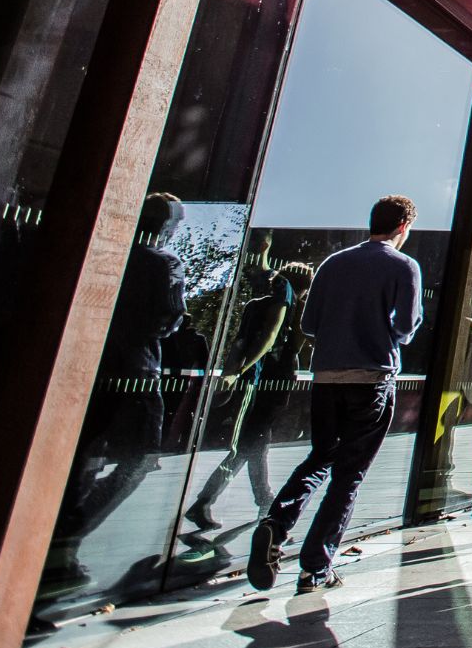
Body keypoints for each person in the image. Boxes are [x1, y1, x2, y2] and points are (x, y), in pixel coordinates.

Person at [249, 195, 423, 593]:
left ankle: (276, 523)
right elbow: (406, 328)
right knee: (348, 476)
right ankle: (315, 567)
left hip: (326, 378)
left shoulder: (333, 263)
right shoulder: (404, 266)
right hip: (372, 378)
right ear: (403, 227)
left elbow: (309, 324)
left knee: (319, 458)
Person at [41, 195, 188, 596]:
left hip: (90, 364)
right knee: (140, 458)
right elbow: (168, 320)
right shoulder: (163, 263)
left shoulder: (107, 252)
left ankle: (59, 548)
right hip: (137, 371)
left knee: (83, 456)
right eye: (175, 224)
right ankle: (66, 537)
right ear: (165, 226)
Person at [185, 262, 315, 531]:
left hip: (255, 383)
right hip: (271, 384)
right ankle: (233, 500)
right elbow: (285, 343)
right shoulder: (291, 310)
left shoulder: (255, 305)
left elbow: (240, 342)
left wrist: (233, 372)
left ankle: (247, 500)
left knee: (254, 444)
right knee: (252, 444)